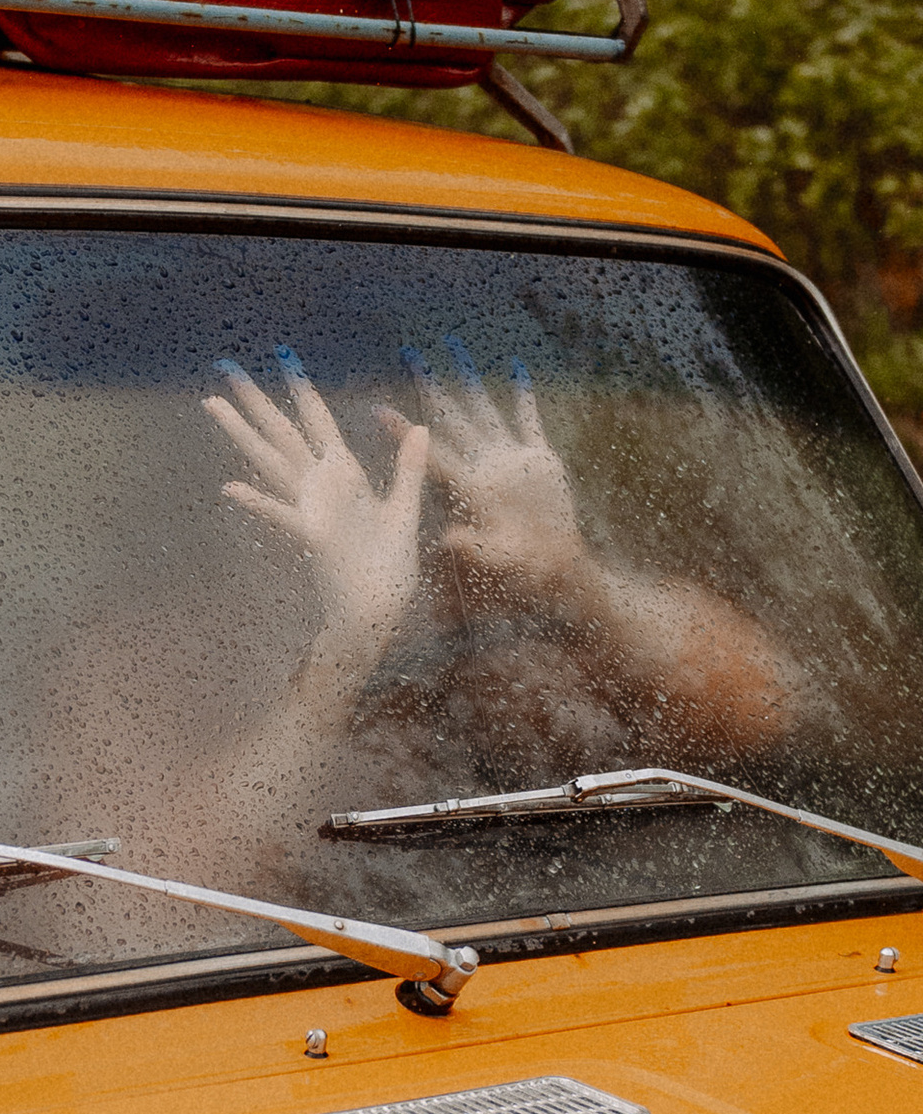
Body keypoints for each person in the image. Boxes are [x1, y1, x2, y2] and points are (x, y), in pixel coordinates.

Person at [200, 343, 795, 860]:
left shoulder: (569, 652)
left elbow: (769, 706)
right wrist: (353, 636)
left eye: (452, 504)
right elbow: (198, 870)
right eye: (405, 524)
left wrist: (574, 573)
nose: (449, 551)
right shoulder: (200, 652)